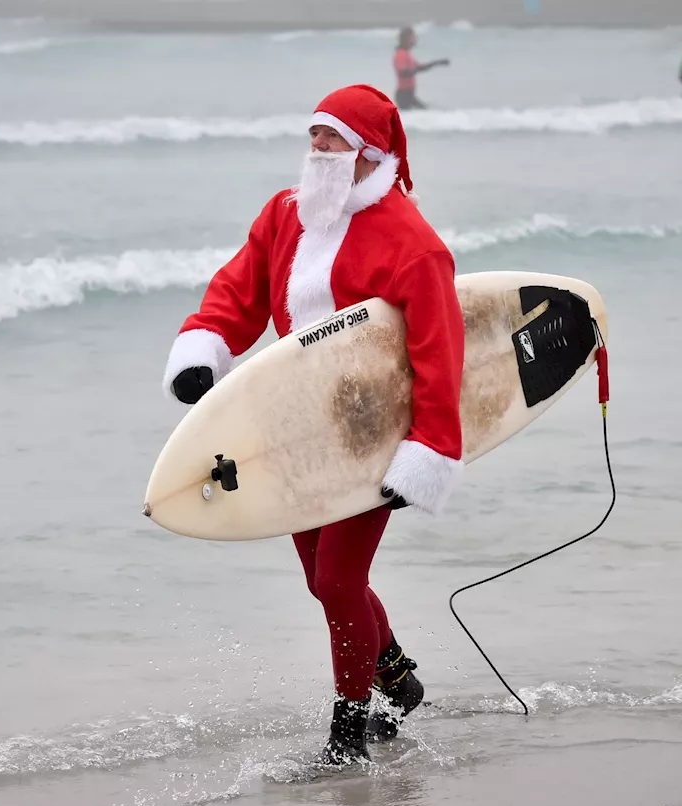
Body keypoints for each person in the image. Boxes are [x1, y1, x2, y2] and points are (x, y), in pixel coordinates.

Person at [160, 84, 465, 765]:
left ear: (366, 154)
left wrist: (430, 450)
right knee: (326, 580)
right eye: (314, 135)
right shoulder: (285, 215)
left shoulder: (413, 245)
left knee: (336, 582)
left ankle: (348, 730)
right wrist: (204, 344)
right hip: (297, 433)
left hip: (374, 436)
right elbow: (239, 289)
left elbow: (440, 353)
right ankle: (395, 678)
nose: (317, 147)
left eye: (331, 138)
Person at [393, 26, 449, 110]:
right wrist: (415, 70)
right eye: (413, 37)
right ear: (407, 39)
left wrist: (438, 62)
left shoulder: (407, 53)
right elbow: (403, 74)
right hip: (404, 95)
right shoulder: (401, 54)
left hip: (409, 95)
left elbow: (421, 68)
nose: (415, 39)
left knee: (426, 111)